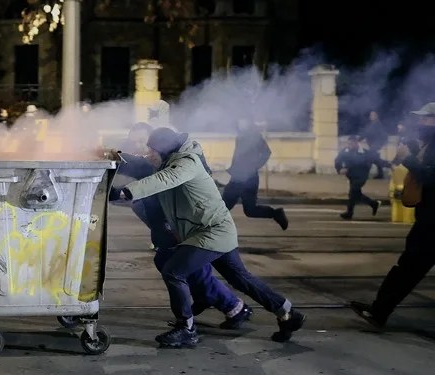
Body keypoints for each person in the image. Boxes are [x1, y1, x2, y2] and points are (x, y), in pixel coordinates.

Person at [121, 127, 305, 348]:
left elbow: (162, 180)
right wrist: (114, 156)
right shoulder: (168, 161)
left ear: (164, 150)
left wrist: (124, 192)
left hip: (211, 232)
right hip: (210, 231)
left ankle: (186, 329)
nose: (148, 154)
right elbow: (141, 165)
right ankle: (287, 313)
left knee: (173, 271)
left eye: (152, 150)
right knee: (241, 279)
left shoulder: (186, 163)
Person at [349, 102, 435, 345]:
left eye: (426, 119)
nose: (421, 123)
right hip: (431, 219)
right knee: (407, 269)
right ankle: (379, 311)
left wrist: (408, 159)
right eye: (420, 118)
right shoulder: (433, 144)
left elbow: (434, 177)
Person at [221, 118, 288, 230]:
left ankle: (207, 232)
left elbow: (267, 152)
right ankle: (276, 214)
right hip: (242, 176)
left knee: (223, 206)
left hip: (244, 178)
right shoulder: (241, 136)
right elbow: (238, 156)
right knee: (250, 210)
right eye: (239, 121)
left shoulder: (254, 136)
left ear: (248, 123)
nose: (240, 123)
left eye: (243, 121)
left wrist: (255, 166)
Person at [335, 135, 381, 220]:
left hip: (361, 176)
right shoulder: (345, 151)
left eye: (351, 144)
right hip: (351, 176)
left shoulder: (364, 153)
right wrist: (340, 169)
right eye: (348, 144)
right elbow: (337, 161)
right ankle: (373, 204)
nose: (350, 146)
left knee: (353, 192)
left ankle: (349, 213)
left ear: (356, 143)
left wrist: (389, 165)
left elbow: (377, 160)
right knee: (356, 194)